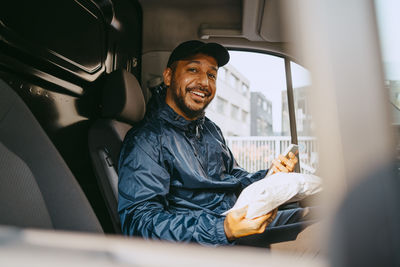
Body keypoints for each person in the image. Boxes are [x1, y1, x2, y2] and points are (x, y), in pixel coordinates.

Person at [118, 40, 311, 246]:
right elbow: (139, 222)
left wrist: (269, 177)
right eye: (193, 70)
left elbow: (234, 178)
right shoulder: (146, 141)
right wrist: (223, 229)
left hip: (238, 222)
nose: (204, 82)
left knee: (325, 216)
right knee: (325, 239)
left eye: (212, 75)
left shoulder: (210, 129)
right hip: (208, 245)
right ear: (168, 77)